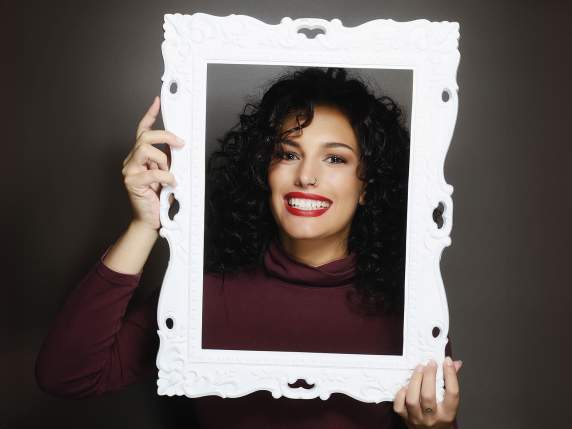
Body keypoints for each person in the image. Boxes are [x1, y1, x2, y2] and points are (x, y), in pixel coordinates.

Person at [35, 68, 462, 429]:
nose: (307, 177)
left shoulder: (410, 315)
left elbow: (432, 417)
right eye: (288, 154)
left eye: (335, 159)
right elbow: (67, 376)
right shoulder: (200, 296)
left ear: (367, 184)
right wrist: (145, 224)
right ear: (265, 170)